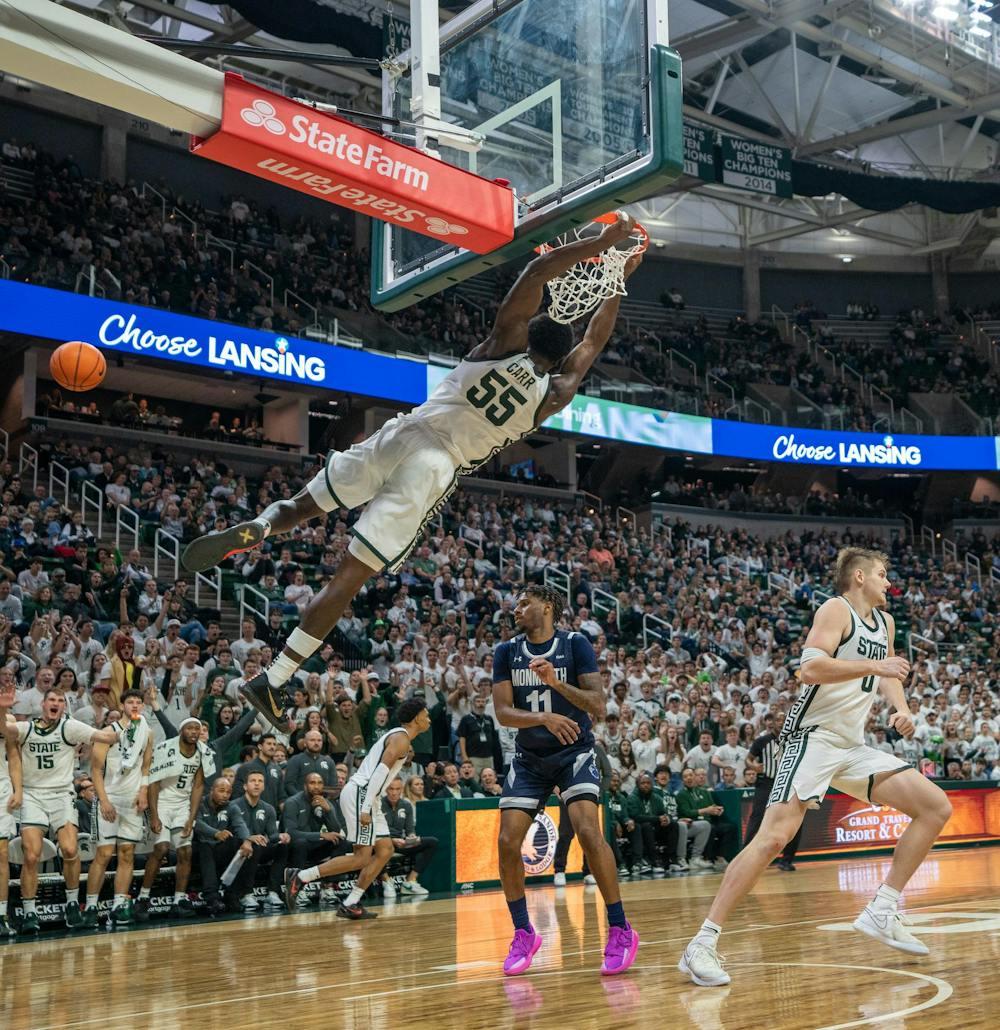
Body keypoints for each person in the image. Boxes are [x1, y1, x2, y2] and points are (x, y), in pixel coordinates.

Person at [179, 215, 644, 732]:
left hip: (404, 432)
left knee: (299, 508)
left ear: (529, 328)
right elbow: (591, 347)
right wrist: (617, 277)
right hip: (434, 465)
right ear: (558, 360)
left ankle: (261, 528)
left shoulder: (499, 345)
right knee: (347, 579)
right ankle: (275, 677)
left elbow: (535, 276)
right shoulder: (551, 397)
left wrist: (596, 244)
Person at [679, 547, 954, 987]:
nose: (889, 582)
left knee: (935, 807)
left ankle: (882, 908)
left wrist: (901, 709)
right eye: (882, 574)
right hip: (813, 738)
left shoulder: (885, 622)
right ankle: (702, 944)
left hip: (852, 745)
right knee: (772, 840)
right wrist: (874, 664)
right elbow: (809, 668)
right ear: (859, 576)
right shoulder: (836, 608)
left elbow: (886, 675)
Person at [492, 585, 639, 977]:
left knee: (589, 833)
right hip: (529, 758)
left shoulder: (575, 644)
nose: (516, 608)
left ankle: (620, 928)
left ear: (547, 607)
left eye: (523, 602)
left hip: (574, 752)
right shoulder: (506, 652)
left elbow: (598, 705)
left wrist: (556, 684)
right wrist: (543, 717)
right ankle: (524, 931)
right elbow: (504, 712)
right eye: (516, 602)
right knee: (507, 841)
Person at [284, 699, 432, 920]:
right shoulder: (401, 739)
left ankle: (351, 902)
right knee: (362, 857)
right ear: (416, 717)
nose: (429, 718)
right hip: (363, 794)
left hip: (370, 796)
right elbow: (380, 772)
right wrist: (365, 808)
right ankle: (301, 877)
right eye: (426, 714)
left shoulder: (400, 737)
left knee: (385, 850)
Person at [15, 689, 117, 931]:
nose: (56, 703)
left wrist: (126, 723)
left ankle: (72, 904)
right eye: (52, 699)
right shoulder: (26, 728)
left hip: (62, 794)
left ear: (64, 706)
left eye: (61, 701)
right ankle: (29, 913)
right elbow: (7, 730)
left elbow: (105, 737)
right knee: (31, 855)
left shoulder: (70, 727)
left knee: (71, 850)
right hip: (32, 794)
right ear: (42, 703)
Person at [83, 689, 154, 927]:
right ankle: (91, 907)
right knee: (103, 854)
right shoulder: (108, 732)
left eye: (138, 702)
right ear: (122, 705)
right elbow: (95, 770)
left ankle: (120, 905)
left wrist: (143, 792)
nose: (135, 705)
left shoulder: (147, 731)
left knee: (126, 854)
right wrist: (103, 800)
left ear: (143, 706)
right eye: (130, 702)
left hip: (133, 800)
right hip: (110, 798)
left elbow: (146, 767)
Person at [140, 718, 208, 920]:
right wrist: (154, 814)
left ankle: (179, 899)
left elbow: (198, 787)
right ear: (181, 731)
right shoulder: (166, 749)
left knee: (185, 851)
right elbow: (154, 783)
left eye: (198, 728)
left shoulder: (203, 752)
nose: (194, 731)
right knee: (161, 849)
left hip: (182, 806)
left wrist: (191, 817)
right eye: (190, 728)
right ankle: (143, 898)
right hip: (162, 802)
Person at [744, 717, 802, 872]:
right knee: (757, 819)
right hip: (766, 783)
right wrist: (754, 766)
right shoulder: (762, 741)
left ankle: (786, 860)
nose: (781, 722)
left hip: (789, 783)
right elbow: (748, 759)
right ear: (771, 723)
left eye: (785, 719)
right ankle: (746, 857)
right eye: (779, 720)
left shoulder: (795, 739)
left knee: (796, 820)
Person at [233, 769, 290, 910]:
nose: (257, 784)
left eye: (260, 781)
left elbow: (271, 836)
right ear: (245, 786)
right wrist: (249, 839)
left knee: (282, 847)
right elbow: (229, 833)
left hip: (259, 849)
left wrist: (281, 836)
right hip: (238, 848)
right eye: (253, 781)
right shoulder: (233, 806)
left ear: (264, 786)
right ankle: (246, 894)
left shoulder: (268, 808)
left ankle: (272, 892)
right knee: (255, 845)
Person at [380, 775, 436, 897]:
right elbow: (374, 832)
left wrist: (411, 837)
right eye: (391, 789)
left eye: (397, 789)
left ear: (402, 789)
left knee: (432, 842)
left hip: (401, 842)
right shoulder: (378, 804)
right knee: (376, 844)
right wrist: (392, 840)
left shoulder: (406, 804)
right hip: (384, 842)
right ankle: (386, 881)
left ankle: (410, 881)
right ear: (385, 789)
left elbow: (410, 829)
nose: (394, 793)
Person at [0, 676, 23, 937]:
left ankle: (1, 914)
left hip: (2, 787)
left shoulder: (9, 721)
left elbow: (14, 757)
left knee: (2, 854)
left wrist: (18, 789)